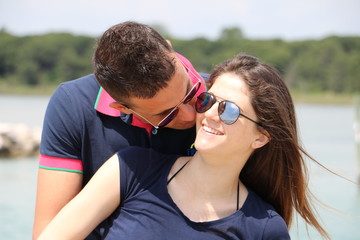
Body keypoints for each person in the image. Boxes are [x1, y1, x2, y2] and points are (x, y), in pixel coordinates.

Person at [37, 54, 330, 239]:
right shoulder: (131, 169)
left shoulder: (264, 228)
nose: (209, 114)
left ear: (261, 136)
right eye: (208, 100)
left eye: (228, 110)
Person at [32, 21, 207, 239]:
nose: (191, 115)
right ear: (121, 107)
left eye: (192, 91)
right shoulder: (73, 103)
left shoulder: (226, 96)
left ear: (169, 48)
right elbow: (48, 230)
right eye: (167, 114)